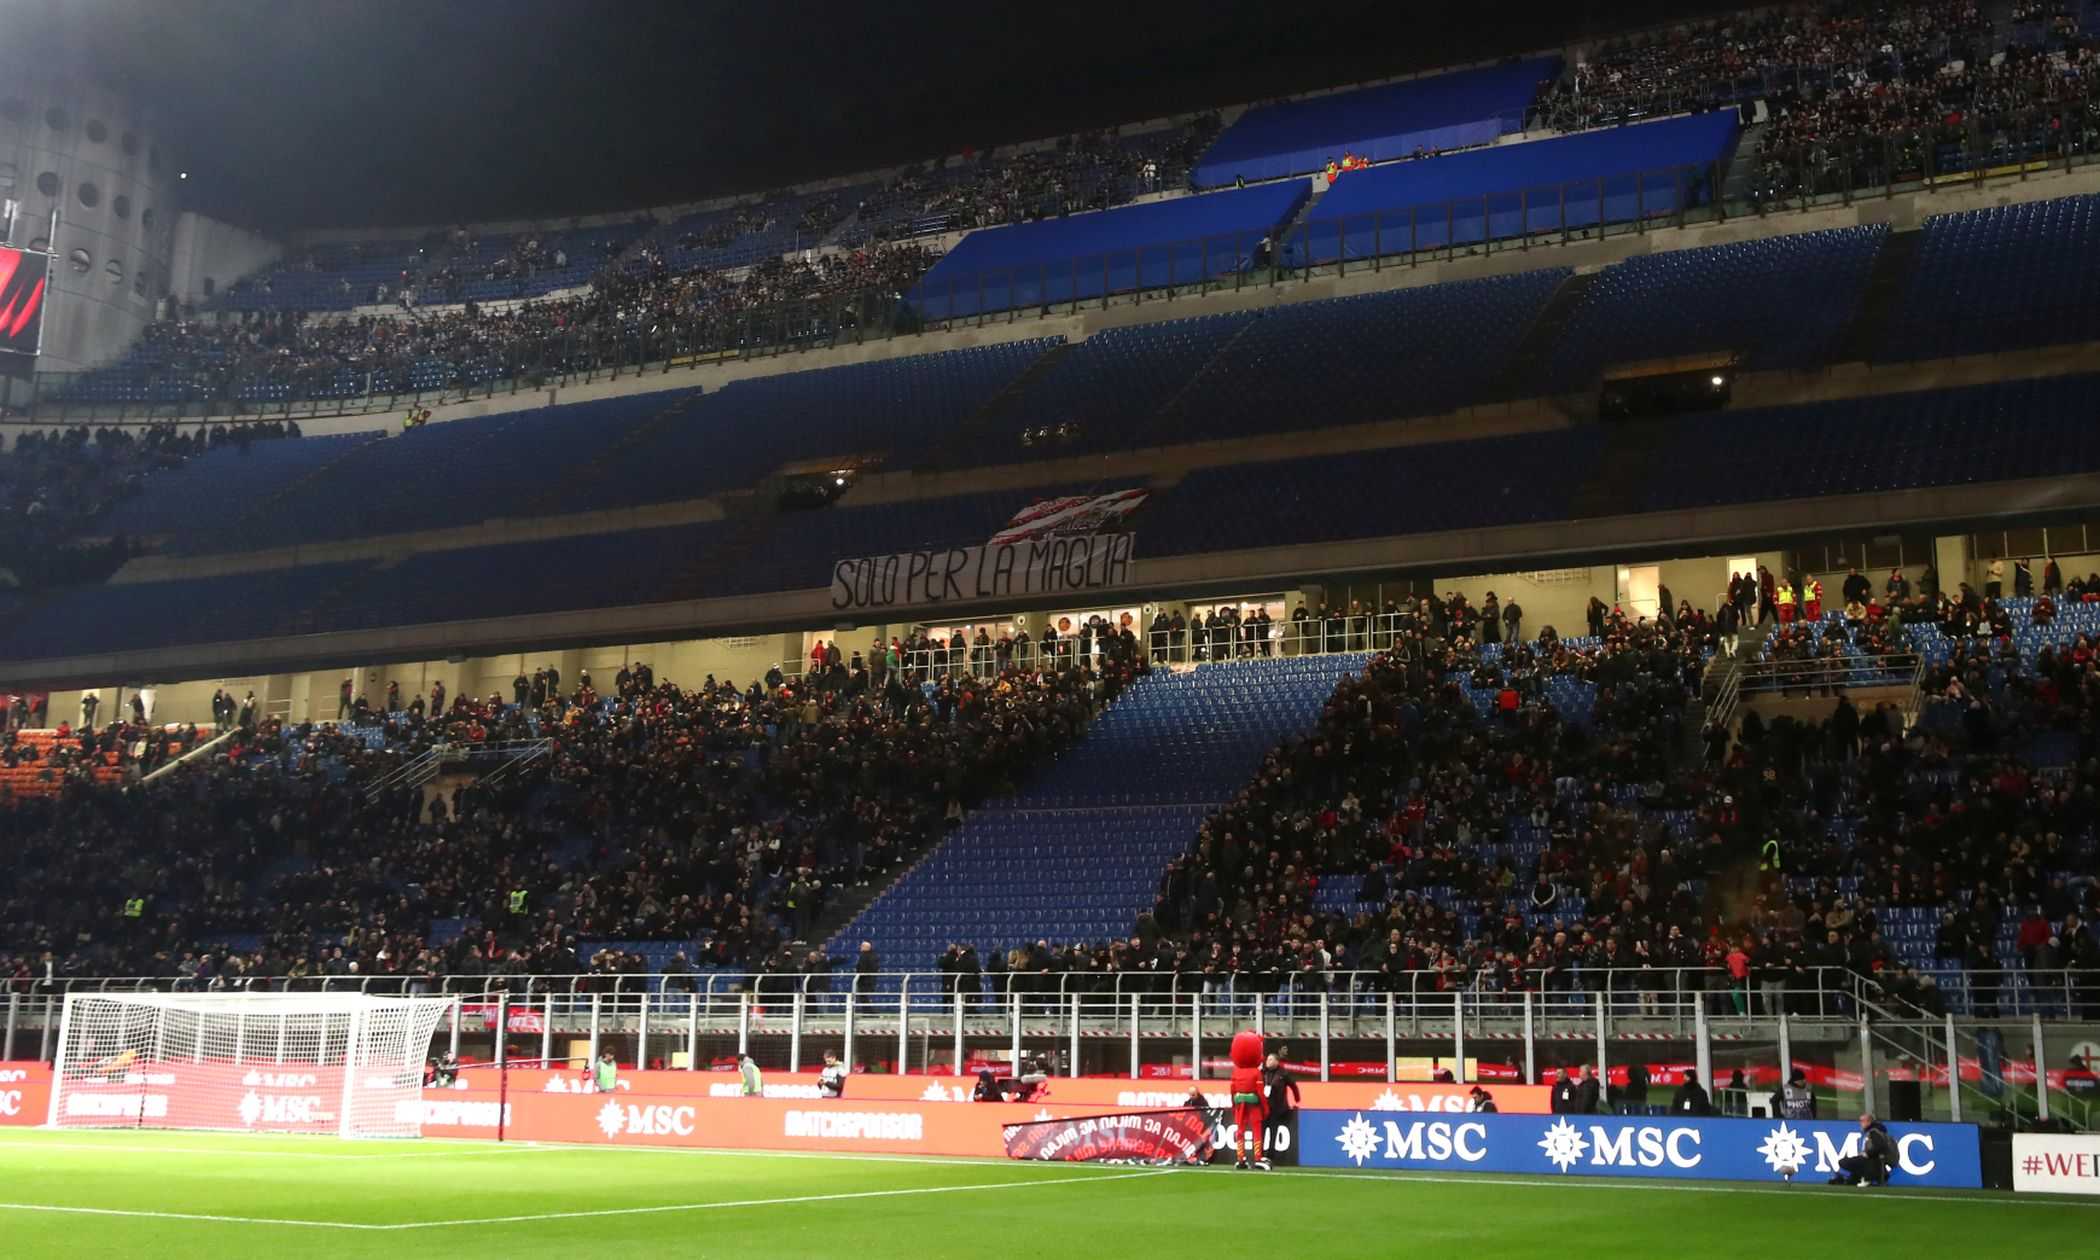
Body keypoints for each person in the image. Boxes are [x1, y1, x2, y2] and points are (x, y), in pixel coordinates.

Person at [1228, 1028, 1269, 1170]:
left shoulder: (1235, 1072)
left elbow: (1232, 1092)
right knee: (1256, 1130)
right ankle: (1257, 1157)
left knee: (1240, 1130)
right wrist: (1265, 1107)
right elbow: (1260, 1093)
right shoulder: (1256, 1073)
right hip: (1254, 1104)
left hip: (1240, 1104)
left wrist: (1234, 1107)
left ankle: (1240, 1157)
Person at [1830, 1113, 1896, 1186]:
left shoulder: (1874, 1132)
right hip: (1880, 1162)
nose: (1860, 1123)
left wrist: (1867, 1154)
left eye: (1862, 1121)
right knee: (1856, 1163)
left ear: (1868, 1122)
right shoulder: (1878, 1131)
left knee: (1844, 1162)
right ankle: (1858, 1178)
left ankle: (1867, 1177)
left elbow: (1879, 1147)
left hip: (1876, 1162)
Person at [1262, 1051, 1300, 1123]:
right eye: (1267, 1059)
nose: (1267, 1061)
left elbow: (1293, 1086)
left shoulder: (1283, 1073)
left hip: (1278, 1107)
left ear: (1277, 1062)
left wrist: (1297, 1098)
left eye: (1270, 1059)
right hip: (1265, 1107)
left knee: (1274, 1128)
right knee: (1263, 1129)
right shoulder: (1263, 1072)